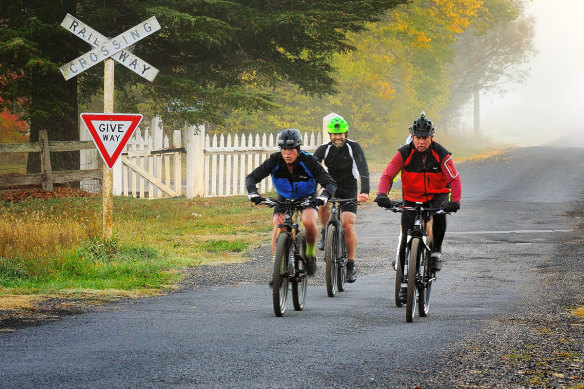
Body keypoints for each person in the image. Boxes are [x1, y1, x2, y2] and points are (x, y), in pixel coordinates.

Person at [375, 112, 461, 275]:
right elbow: (388, 175)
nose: (421, 142)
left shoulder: (441, 153)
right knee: (405, 236)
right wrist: (381, 194)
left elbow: (454, 179)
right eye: (417, 138)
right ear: (412, 137)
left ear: (432, 137)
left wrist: (455, 201)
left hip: (437, 195)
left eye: (425, 138)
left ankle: (436, 252)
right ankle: (401, 278)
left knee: (440, 214)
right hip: (412, 197)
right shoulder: (403, 153)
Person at [246, 128, 337, 280]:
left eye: (291, 149)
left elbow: (329, 182)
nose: (287, 153)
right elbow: (252, 177)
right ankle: (277, 268)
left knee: (308, 221)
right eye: (284, 149)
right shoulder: (275, 160)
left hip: (307, 197)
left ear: (298, 148)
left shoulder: (308, 161)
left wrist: (325, 195)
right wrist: (252, 192)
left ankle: (309, 253)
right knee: (278, 223)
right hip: (285, 197)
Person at [313, 117, 370, 283]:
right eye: (334, 134)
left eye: (341, 134)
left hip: (349, 186)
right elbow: (313, 170)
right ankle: (325, 232)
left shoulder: (354, 147)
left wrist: (364, 192)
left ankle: (351, 265)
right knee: (322, 201)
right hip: (330, 185)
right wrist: (312, 190)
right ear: (330, 134)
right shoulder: (324, 149)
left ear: (346, 133)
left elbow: (363, 169)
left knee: (347, 225)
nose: (338, 137)